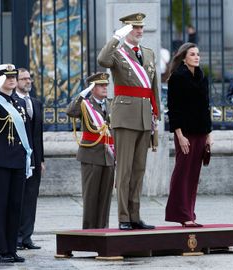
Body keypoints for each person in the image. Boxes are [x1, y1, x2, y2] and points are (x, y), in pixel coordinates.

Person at [97, 12, 160, 231]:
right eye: (135, 28)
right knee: (123, 171)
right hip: (124, 117)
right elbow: (102, 60)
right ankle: (123, 217)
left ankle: (135, 215)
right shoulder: (117, 52)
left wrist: (156, 114)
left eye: (141, 28)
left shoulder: (149, 54)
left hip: (144, 117)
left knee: (138, 170)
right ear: (126, 30)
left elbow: (153, 88)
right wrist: (116, 37)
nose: (140, 31)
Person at [0, 64, 32, 263]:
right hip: (0, 161)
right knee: (1, 206)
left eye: (13, 77)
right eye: (7, 77)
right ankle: (3, 250)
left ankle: (12, 248)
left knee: (15, 206)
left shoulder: (17, 102)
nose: (12, 80)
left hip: (17, 161)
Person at [165, 43, 212, 227]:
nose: (196, 57)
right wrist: (179, 135)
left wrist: (209, 134)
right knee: (182, 172)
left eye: (198, 54)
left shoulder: (202, 77)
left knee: (194, 174)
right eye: (192, 54)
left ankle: (189, 213)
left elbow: (205, 107)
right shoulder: (177, 78)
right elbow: (174, 109)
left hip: (201, 132)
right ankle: (180, 213)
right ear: (184, 57)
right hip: (185, 133)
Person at [66, 72, 115, 229]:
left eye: (106, 85)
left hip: (109, 156)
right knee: (91, 197)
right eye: (100, 85)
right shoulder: (85, 104)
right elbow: (70, 111)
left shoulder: (111, 104)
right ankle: (89, 232)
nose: (105, 88)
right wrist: (82, 94)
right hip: (91, 155)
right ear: (92, 88)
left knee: (105, 198)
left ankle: (103, 230)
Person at [14, 68, 44, 250]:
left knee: (31, 197)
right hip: (18, 158)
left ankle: (27, 236)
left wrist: (41, 160)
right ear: (16, 82)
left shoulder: (36, 103)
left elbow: (38, 136)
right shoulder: (12, 102)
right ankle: (16, 236)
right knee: (19, 198)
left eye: (29, 78)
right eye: (24, 79)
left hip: (34, 159)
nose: (28, 81)